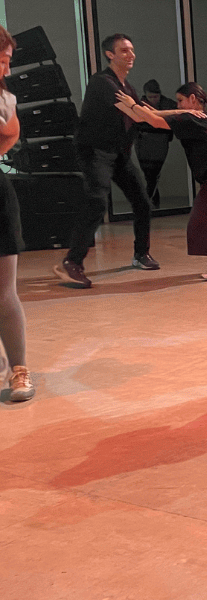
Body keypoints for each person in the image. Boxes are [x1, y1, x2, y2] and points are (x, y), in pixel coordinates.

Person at [54, 33, 159, 289]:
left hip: (119, 154)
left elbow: (148, 114)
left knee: (143, 202)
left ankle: (140, 254)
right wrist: (176, 114)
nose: (131, 54)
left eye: (132, 50)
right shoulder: (102, 82)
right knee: (97, 201)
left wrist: (182, 116)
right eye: (124, 50)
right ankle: (72, 263)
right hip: (95, 152)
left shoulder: (129, 88)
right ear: (109, 55)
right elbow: (138, 113)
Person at [115, 83, 207, 280]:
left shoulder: (191, 118)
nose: (178, 104)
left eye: (180, 100)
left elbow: (154, 120)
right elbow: (156, 115)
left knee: (202, 221)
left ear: (192, 99)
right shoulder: (201, 117)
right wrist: (136, 107)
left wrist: (132, 105)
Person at [0, 26, 33, 402]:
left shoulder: (4, 98)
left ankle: (19, 370)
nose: (6, 70)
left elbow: (10, 133)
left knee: (4, 293)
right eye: (3, 61)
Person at [136, 79, 175, 209]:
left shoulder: (168, 104)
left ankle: (146, 204)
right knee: (149, 174)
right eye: (151, 97)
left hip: (160, 142)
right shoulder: (139, 106)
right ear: (145, 95)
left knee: (153, 174)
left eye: (156, 96)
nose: (154, 99)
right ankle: (152, 203)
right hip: (143, 143)